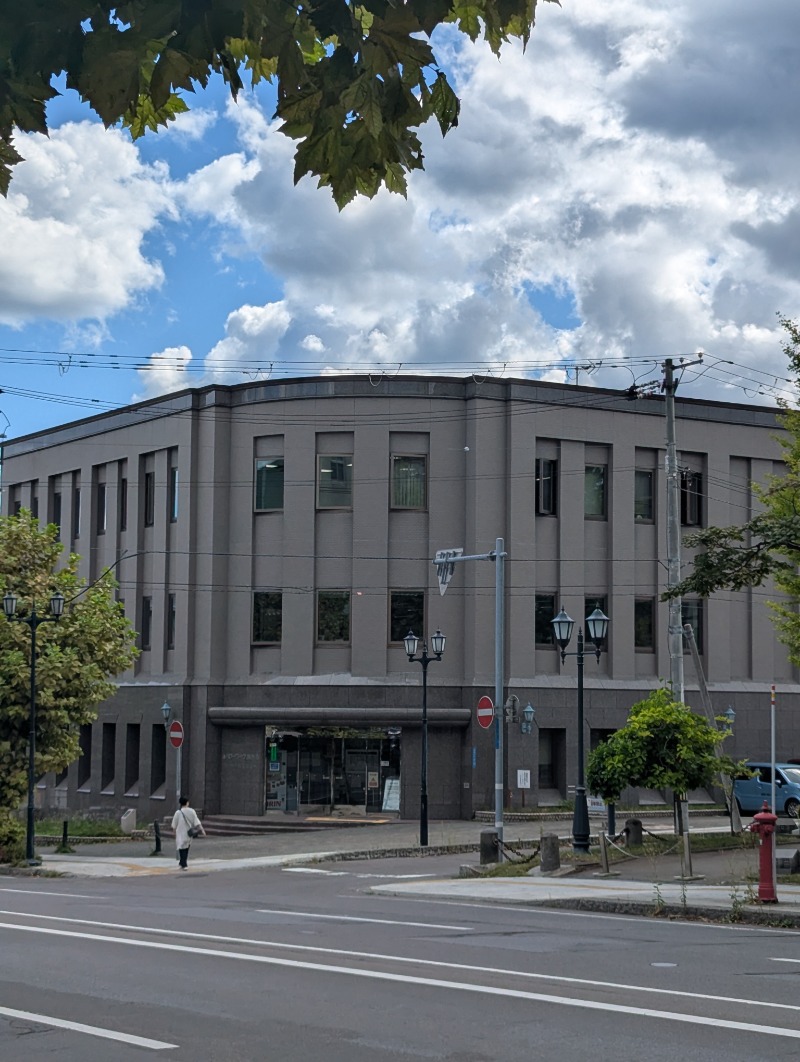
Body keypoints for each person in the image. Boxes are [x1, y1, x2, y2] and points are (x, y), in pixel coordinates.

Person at [171, 795, 205, 870]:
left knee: (181, 848)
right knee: (186, 848)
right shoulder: (192, 811)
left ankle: (183, 864)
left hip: (180, 832)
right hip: (188, 833)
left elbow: (174, 825)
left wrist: (174, 833)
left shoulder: (178, 812)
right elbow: (197, 822)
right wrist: (202, 830)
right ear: (187, 803)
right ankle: (182, 863)